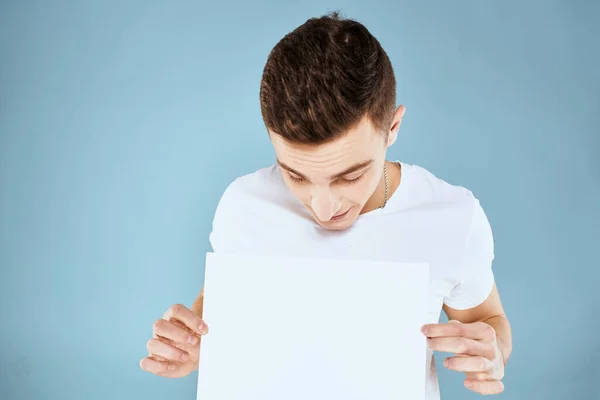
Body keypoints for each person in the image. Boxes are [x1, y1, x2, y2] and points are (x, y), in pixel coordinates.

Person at [139, 11, 512, 398]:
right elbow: (213, 313)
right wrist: (191, 346)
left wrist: (494, 352)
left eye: (349, 177)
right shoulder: (243, 205)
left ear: (393, 128)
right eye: (296, 175)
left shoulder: (451, 216)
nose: (323, 206)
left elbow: (488, 319)